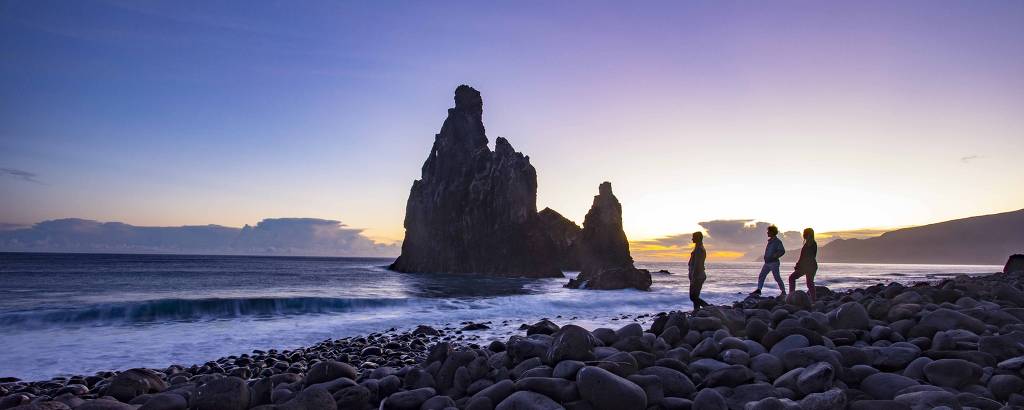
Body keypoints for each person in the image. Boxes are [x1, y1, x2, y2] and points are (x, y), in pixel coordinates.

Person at [751, 225, 786, 296]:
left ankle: (783, 291)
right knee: (762, 275)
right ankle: (759, 290)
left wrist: (775, 256)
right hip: (767, 263)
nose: (767, 233)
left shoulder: (777, 241)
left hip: (774, 263)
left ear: (772, 232)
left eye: (768, 231)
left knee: (777, 277)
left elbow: (782, 251)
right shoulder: (770, 241)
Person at [789, 228, 818, 301]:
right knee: (809, 283)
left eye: (804, 233)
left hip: (808, 266)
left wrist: (799, 265)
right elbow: (804, 257)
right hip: (811, 266)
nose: (803, 235)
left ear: (808, 234)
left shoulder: (810, 243)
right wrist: (799, 265)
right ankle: (813, 299)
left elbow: (805, 257)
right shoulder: (811, 243)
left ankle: (791, 295)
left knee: (792, 278)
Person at [688, 231, 711, 310]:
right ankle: (696, 311)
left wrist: (694, 276)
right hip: (697, 276)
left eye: (693, 237)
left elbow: (698, 264)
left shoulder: (699, 249)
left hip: (698, 276)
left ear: (698, 238)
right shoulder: (698, 248)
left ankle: (708, 308)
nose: (692, 239)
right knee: (695, 296)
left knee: (693, 297)